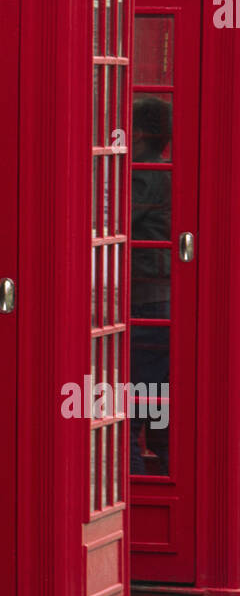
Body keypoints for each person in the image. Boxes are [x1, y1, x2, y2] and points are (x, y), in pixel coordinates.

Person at [130, 96, 171, 475]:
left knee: (131, 414)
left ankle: (137, 495)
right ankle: (162, 483)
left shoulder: (144, 172)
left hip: (146, 301)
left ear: (141, 132)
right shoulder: (167, 171)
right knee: (158, 418)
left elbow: (123, 220)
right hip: (164, 300)